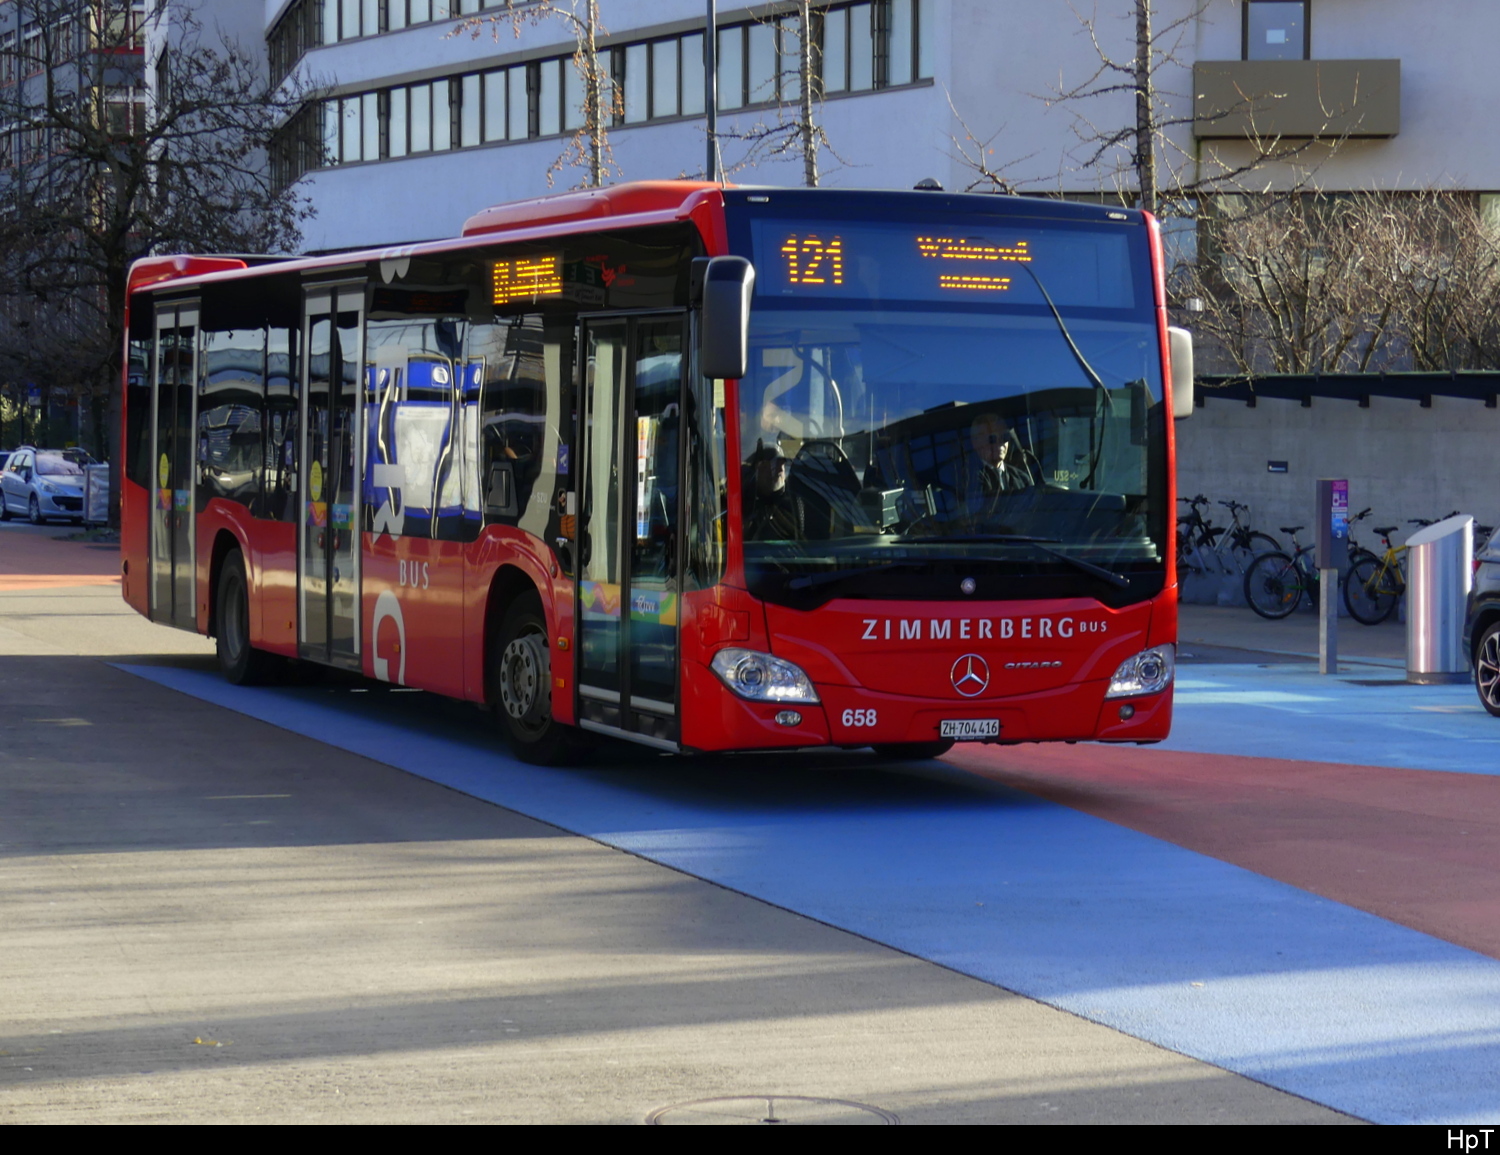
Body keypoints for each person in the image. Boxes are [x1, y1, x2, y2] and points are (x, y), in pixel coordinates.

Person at [962, 412, 1034, 516]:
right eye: (993, 438)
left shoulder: (1023, 478)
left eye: (1005, 437)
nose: (1000, 443)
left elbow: (1033, 511)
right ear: (976, 442)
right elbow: (981, 513)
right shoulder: (969, 477)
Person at [742, 440, 804, 540]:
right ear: (758, 468)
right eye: (774, 463)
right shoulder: (745, 501)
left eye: (782, 463)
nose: (780, 469)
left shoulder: (793, 502)